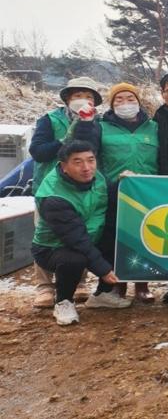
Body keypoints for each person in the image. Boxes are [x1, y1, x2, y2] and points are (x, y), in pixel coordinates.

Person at [31, 140, 131, 325]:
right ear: (64, 166)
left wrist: (123, 183)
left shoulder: (97, 178)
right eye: (78, 162)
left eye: (91, 160)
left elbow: (107, 196)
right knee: (74, 259)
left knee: (120, 239)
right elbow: (76, 239)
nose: (86, 167)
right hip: (52, 248)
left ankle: (102, 295)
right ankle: (63, 302)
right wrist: (103, 269)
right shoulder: (53, 197)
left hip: (90, 236)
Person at [28, 76, 103, 308]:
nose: (83, 101)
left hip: (80, 188)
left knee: (80, 231)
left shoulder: (95, 123)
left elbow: (96, 151)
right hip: (49, 189)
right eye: (78, 96)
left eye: (88, 97)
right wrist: (66, 141)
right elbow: (38, 151)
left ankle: (78, 282)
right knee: (45, 232)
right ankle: (44, 286)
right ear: (68, 99)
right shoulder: (50, 120)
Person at [98, 82, 158, 303]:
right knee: (116, 237)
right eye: (119, 100)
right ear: (112, 104)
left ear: (139, 102)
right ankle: (118, 284)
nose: (125, 104)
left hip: (146, 191)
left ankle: (142, 284)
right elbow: (95, 159)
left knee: (144, 235)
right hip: (115, 190)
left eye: (130, 99)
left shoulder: (153, 127)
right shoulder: (102, 127)